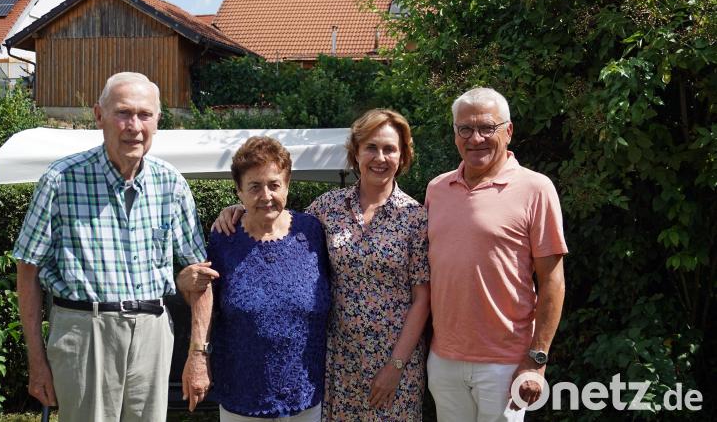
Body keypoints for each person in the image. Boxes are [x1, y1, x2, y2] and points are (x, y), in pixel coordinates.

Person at [203, 109, 431, 421]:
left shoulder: (415, 218)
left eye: (390, 148)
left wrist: (396, 365)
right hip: (336, 362)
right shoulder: (327, 208)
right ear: (356, 152)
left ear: (403, 155)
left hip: (393, 360)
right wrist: (238, 209)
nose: (380, 157)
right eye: (371, 148)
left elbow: (422, 300)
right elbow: (277, 218)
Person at [14, 72, 214, 421]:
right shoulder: (61, 180)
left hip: (153, 332)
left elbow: (199, 276)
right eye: (123, 112)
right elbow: (27, 270)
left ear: (158, 121)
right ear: (99, 115)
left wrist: (198, 355)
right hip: (84, 332)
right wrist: (36, 361)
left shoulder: (172, 184)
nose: (134, 126)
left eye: (145, 115)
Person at [425, 87, 568, 422]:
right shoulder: (436, 190)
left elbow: (553, 281)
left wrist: (537, 359)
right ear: (455, 134)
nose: (476, 138)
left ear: (508, 131)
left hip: (505, 363)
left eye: (487, 128)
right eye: (465, 129)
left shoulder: (536, 189)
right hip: (444, 360)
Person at [182, 136, 331, 421]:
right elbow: (203, 296)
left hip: (306, 392)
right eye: (254, 186)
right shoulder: (224, 237)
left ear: (287, 186)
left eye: (274, 185)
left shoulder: (312, 232)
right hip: (242, 393)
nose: (266, 195)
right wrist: (197, 356)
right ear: (238, 191)